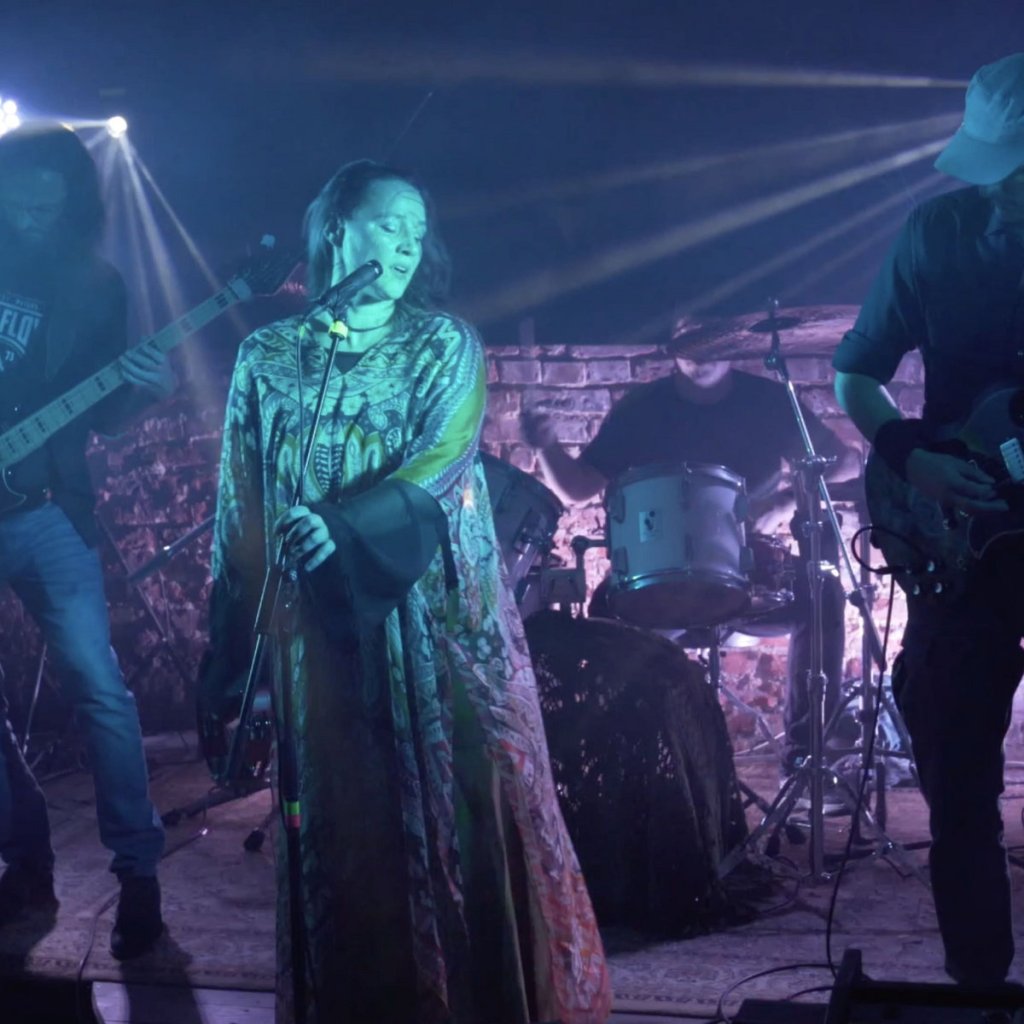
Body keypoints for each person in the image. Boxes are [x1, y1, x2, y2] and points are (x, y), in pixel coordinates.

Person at [200, 159, 611, 1024]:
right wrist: (228, 643)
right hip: (321, 632)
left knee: (472, 800)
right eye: (389, 225)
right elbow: (240, 500)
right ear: (337, 228)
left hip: (437, 620)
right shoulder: (269, 357)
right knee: (349, 819)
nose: (404, 245)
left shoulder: (443, 343)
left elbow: (443, 460)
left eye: (417, 233)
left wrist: (344, 527)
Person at [834, 52, 1024, 988]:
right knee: (956, 770)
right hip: (963, 538)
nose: (1000, 191)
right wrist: (914, 458)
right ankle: (980, 983)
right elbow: (856, 375)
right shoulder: (937, 231)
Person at [523, 347, 858, 800]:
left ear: (733, 340)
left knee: (823, 595)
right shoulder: (642, 408)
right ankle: (632, 777)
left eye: (712, 337)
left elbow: (847, 462)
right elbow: (578, 488)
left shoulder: (770, 401)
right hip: (656, 586)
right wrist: (545, 446)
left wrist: (786, 501)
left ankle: (805, 762)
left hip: (750, 576)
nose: (702, 351)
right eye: (690, 336)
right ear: (672, 340)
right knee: (603, 623)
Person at [0, 124, 175, 958]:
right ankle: (25, 865)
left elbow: (104, 416)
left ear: (73, 201)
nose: (29, 216)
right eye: (17, 199)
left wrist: (144, 393)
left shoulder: (96, 284)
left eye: (46, 203)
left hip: (46, 510)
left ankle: (139, 878)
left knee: (100, 690)